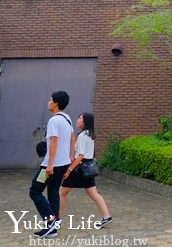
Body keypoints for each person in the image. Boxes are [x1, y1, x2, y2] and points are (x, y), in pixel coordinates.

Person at [29, 91, 74, 238]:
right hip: (63, 164)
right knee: (53, 192)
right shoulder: (67, 118)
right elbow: (73, 137)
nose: (48, 102)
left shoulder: (54, 121)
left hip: (51, 166)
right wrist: (70, 157)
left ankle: (51, 221)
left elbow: (53, 142)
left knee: (35, 191)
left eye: (50, 100)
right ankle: (53, 229)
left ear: (55, 103)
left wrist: (49, 165)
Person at [60, 112, 112, 228]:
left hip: (80, 169)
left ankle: (56, 219)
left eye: (80, 118)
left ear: (85, 122)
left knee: (62, 192)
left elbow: (81, 155)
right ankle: (106, 216)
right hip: (88, 169)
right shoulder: (90, 135)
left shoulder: (83, 136)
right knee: (93, 193)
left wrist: (69, 170)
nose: (77, 120)